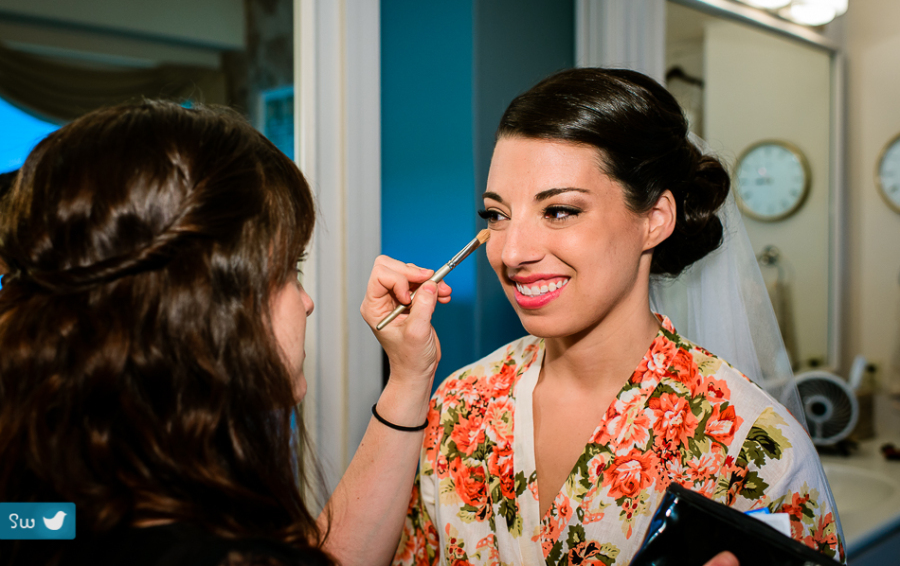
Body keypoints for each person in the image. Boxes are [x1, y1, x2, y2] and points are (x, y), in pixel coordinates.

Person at [391, 68, 845, 566]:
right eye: (497, 215)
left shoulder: (752, 447)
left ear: (654, 220)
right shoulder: (460, 406)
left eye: (560, 211)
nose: (511, 251)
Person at [0, 100, 448, 566]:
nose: (307, 302)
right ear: (203, 304)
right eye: (290, 270)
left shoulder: (46, 509)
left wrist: (410, 376)